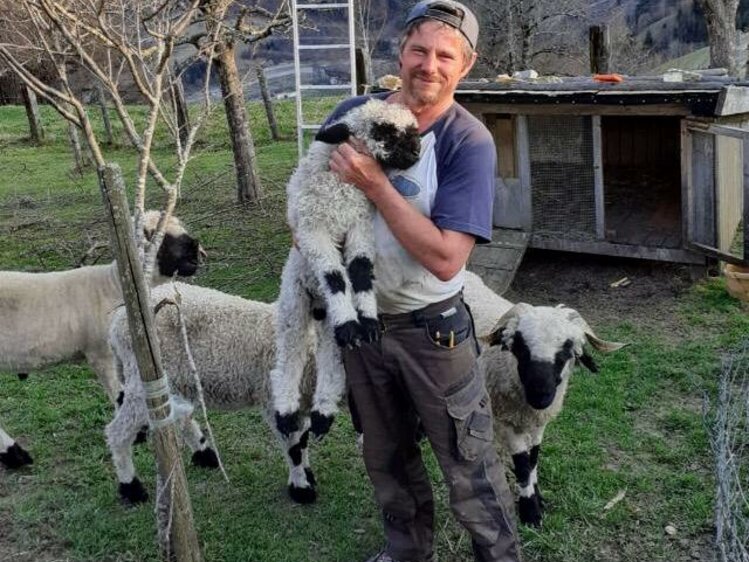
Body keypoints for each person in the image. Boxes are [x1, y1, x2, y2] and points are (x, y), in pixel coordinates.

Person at [323, 2, 523, 561]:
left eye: (445, 55)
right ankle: (407, 552)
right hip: (362, 327)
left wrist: (374, 185)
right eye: (419, 49)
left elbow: (444, 259)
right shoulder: (353, 113)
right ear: (401, 49)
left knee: (468, 462)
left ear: (466, 64)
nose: (428, 65)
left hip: (432, 333)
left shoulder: (467, 142)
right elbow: (307, 203)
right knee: (385, 456)